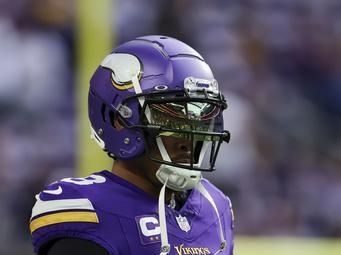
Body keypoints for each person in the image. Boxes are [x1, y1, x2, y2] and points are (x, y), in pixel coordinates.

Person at [29, 35, 234, 255]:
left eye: (199, 120)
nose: (189, 141)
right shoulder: (89, 209)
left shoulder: (214, 207)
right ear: (120, 121)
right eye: (171, 121)